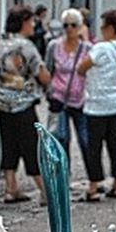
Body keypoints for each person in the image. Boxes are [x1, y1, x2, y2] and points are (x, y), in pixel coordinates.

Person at [0, 4, 51, 204]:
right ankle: (44, 190)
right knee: (31, 146)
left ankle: (11, 188)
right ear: (24, 22)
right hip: (23, 103)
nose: (34, 24)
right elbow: (41, 74)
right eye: (31, 21)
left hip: (1, 101)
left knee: (8, 144)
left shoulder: (1, 42)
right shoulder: (26, 46)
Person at [77, 9, 116, 202]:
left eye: (102, 27)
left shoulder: (101, 48)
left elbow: (81, 68)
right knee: (114, 143)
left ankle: (94, 184)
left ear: (109, 28)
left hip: (97, 104)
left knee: (94, 146)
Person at [44, 8, 90, 160]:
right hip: (59, 99)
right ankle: (64, 178)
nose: (69, 29)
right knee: (62, 139)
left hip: (81, 101)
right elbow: (48, 70)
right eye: (66, 25)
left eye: (73, 25)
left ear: (80, 26)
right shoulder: (54, 46)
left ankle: (94, 180)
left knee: (86, 140)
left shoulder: (87, 48)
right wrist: (49, 93)